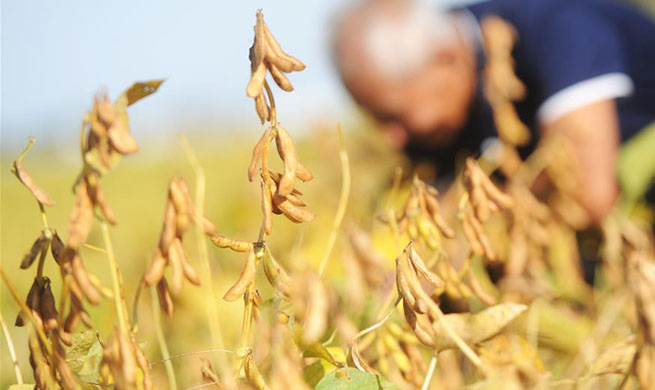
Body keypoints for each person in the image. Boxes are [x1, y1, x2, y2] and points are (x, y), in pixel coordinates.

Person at [332, 0, 655, 225]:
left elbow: (587, 196)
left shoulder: (559, 30)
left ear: (445, 61)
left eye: (394, 116)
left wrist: (465, 226)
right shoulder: (440, 105)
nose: (392, 137)